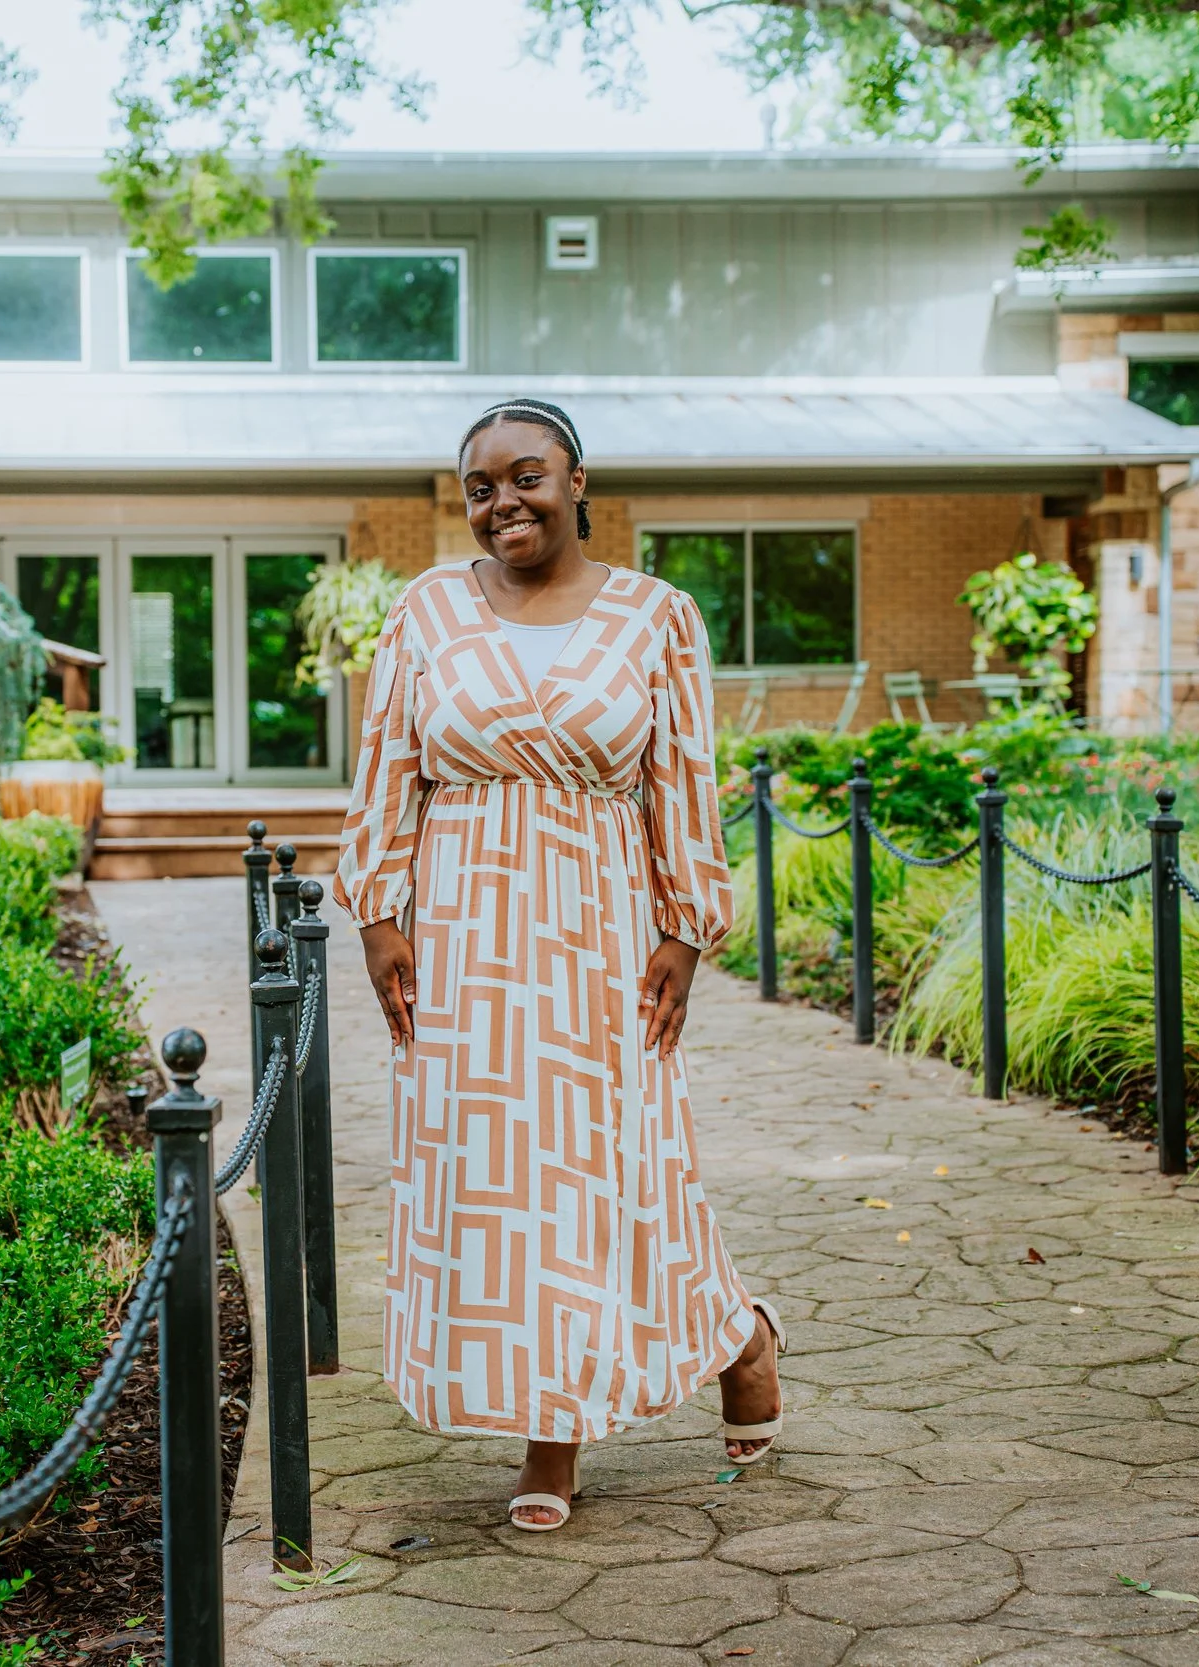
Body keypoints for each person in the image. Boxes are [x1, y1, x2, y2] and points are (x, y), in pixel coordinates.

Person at [332, 397, 784, 1534]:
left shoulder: (656, 616)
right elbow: (387, 765)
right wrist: (378, 913)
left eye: (526, 476)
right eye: (480, 487)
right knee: (494, 1176)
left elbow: (683, 781)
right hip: (463, 935)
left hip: (600, 929)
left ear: (577, 481)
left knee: (611, 1168)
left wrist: (685, 930)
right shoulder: (426, 610)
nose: (504, 503)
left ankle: (566, 1431)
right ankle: (732, 1336)